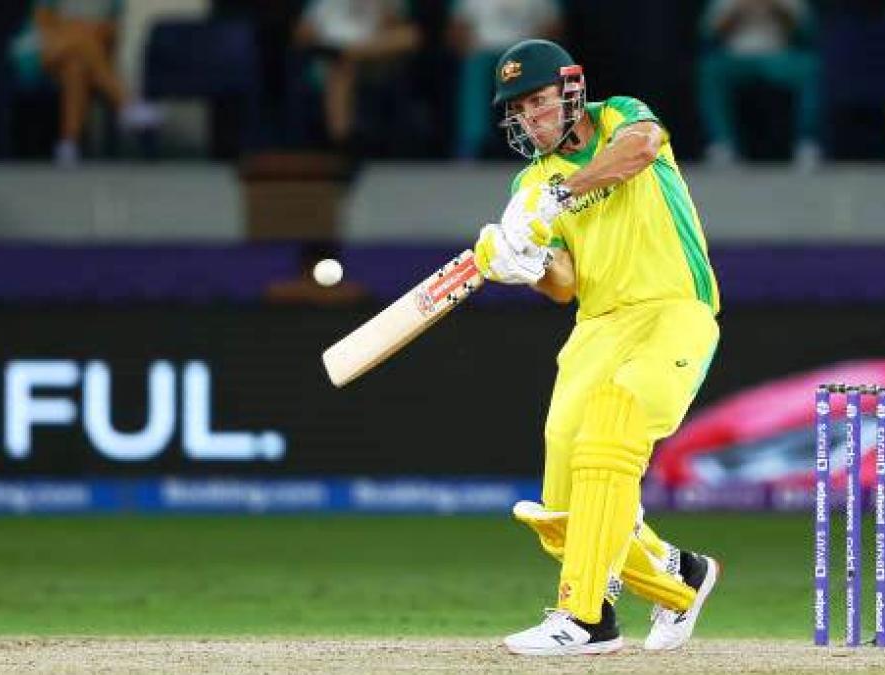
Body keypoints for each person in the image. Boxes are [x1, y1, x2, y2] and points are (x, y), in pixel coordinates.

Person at [471, 39, 722, 656]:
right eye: (519, 110)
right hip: (597, 330)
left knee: (612, 433)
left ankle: (586, 619)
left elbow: (638, 152)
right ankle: (680, 577)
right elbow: (565, 283)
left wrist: (558, 199)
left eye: (537, 100)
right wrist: (524, 261)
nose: (530, 117)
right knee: (562, 512)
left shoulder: (621, 118)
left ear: (570, 89)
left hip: (673, 311)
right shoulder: (531, 180)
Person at [8, 0, 161, 166]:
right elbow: (43, 24)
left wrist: (88, 30)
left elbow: (112, 31)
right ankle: (126, 104)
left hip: (80, 55)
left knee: (75, 68)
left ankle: (68, 144)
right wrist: (81, 28)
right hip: (38, 48)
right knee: (81, 38)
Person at [697, 0, 821, 168]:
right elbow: (709, 33)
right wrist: (738, 9)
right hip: (736, 57)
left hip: (778, 55)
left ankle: (807, 142)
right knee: (710, 69)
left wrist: (776, 7)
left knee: (809, 68)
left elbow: (806, 31)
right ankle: (723, 144)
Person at [294, 0, 420, 150]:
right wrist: (324, 42)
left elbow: (397, 28)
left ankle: (351, 53)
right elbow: (301, 35)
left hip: (375, 55)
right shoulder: (324, 3)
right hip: (332, 60)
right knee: (342, 67)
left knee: (410, 36)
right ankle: (343, 143)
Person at [446, 0, 563, 160]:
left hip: (523, 52)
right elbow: (459, 26)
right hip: (483, 51)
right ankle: (472, 140)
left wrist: (539, 53)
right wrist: (467, 49)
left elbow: (551, 25)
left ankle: (536, 138)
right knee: (475, 74)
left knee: (533, 83)